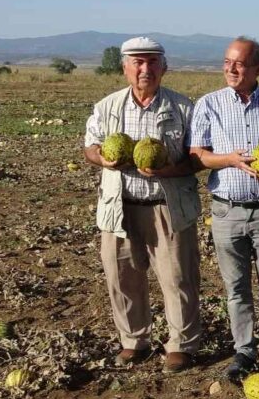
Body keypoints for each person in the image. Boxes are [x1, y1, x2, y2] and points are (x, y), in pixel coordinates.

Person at [83, 36, 201, 373]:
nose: (144, 69)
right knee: (122, 277)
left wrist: (168, 169)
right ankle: (134, 340)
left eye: (151, 62)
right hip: (120, 206)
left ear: (164, 67)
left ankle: (181, 344)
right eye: (137, 62)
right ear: (125, 67)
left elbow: (196, 159)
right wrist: (102, 159)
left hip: (166, 205)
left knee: (179, 277)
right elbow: (90, 146)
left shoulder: (182, 108)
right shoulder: (107, 107)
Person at [189, 37, 259, 380]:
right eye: (227, 61)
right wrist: (230, 160)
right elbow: (197, 154)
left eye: (239, 63)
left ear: (257, 68)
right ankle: (243, 349)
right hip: (226, 210)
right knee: (236, 287)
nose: (231, 68)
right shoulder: (208, 104)